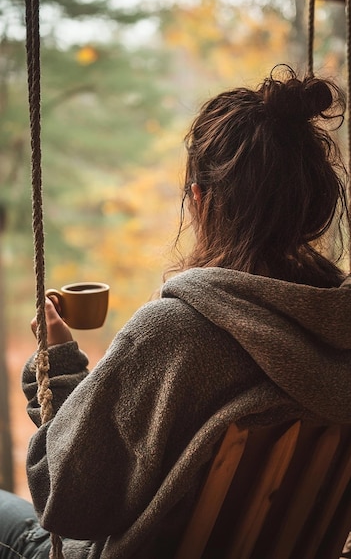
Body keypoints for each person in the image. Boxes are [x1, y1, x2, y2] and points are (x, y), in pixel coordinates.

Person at [1, 64, 351, 559]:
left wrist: (55, 369)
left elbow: (69, 501)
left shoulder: (176, 333)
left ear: (201, 198)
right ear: (309, 205)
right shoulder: (339, 339)